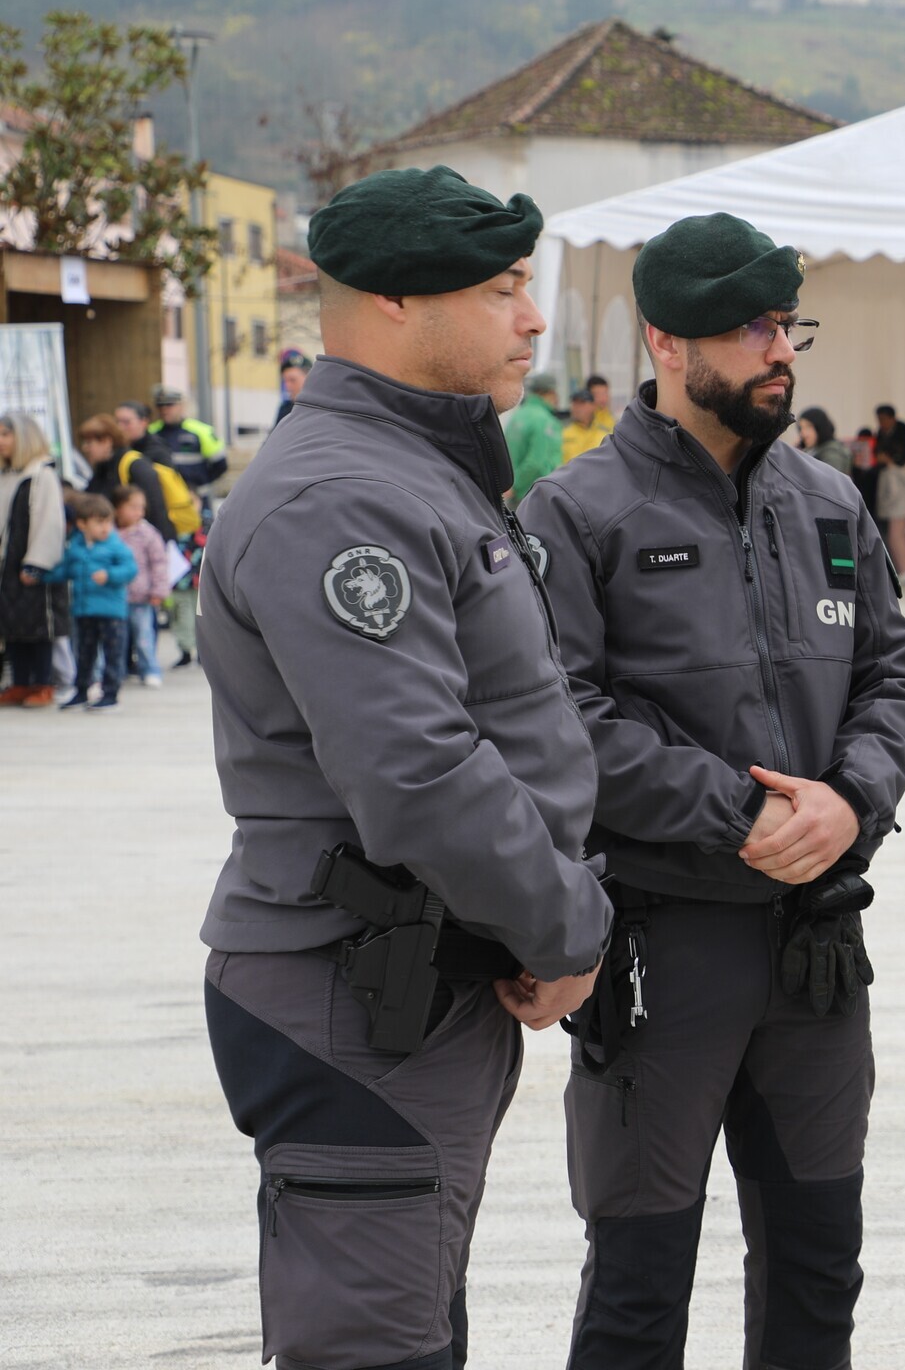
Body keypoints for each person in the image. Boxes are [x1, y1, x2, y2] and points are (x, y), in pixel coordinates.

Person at [197, 164, 614, 1370]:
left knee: (412, 1330)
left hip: (416, 983)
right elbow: (418, 771)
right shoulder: (344, 495)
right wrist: (568, 925)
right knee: (376, 1351)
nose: (531, 318)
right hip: (358, 991)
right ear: (391, 300)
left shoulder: (417, 468)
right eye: (500, 289)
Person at [521, 211, 905, 1369]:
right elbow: (561, 716)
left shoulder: (829, 502)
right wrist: (740, 812)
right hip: (664, 946)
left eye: (787, 324)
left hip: (817, 950)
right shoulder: (578, 512)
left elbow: (894, 676)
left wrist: (852, 800)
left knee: (818, 1276)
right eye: (750, 329)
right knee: (638, 1294)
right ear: (666, 341)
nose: (780, 350)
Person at [47, 490, 137, 711]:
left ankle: (110, 694)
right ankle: (81, 691)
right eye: (99, 522)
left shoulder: (115, 545)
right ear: (82, 524)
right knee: (84, 654)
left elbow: (130, 569)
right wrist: (42, 576)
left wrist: (110, 575)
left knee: (112, 655)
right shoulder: (75, 547)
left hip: (112, 612)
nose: (105, 528)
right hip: (84, 611)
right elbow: (64, 570)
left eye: (108, 522)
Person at [0, 411, 66, 706]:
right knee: (12, 625)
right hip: (7, 563)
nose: (1, 441)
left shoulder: (42, 475)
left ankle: (42, 683)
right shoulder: (7, 475)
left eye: (6, 434)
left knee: (38, 626)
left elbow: (50, 522)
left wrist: (37, 563)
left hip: (31, 563)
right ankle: (20, 683)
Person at [110, 483, 170, 688]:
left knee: (144, 637)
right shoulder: (109, 532)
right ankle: (115, 672)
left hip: (141, 597)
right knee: (116, 639)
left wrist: (158, 590)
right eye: (133, 507)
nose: (139, 512)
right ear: (118, 508)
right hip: (114, 596)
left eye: (141, 507)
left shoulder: (148, 533)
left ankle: (150, 669)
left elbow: (159, 563)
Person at [75, 414, 172, 540]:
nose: (85, 448)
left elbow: (157, 511)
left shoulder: (135, 466)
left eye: (89, 443)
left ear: (106, 442)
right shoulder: (103, 468)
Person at [146, 385, 229, 504]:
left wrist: (200, 484)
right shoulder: (150, 432)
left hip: (196, 499)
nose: (164, 409)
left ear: (181, 406)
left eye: (169, 405)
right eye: (160, 405)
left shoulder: (201, 431)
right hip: (163, 499)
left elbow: (220, 465)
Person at [505, 368, 566, 499]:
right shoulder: (545, 421)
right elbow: (536, 462)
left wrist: (511, 486)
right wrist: (516, 486)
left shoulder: (516, 416)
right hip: (535, 495)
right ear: (550, 392)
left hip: (513, 493)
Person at [875, 425, 905, 583]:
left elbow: (891, 494)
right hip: (904, 509)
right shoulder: (903, 470)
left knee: (896, 540)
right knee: (901, 538)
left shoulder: (889, 472)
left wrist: (883, 506)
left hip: (895, 510)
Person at [560, 385, 609, 464]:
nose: (577, 408)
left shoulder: (604, 433)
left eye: (582, 403)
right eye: (574, 404)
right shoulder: (562, 432)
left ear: (593, 406)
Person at [797, 405, 851, 474]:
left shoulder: (832, 454)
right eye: (801, 428)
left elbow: (831, 478)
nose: (803, 433)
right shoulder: (813, 450)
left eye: (808, 426)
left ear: (820, 427)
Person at [274, 350, 313, 427]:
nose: (287, 387)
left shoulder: (322, 408)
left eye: (292, 380)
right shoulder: (285, 409)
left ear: (309, 378)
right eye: (285, 381)